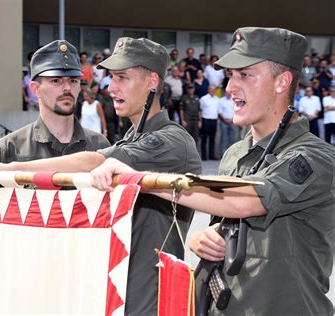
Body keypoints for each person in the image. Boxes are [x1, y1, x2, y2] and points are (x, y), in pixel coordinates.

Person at [90, 27, 334, 316]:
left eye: (245, 74)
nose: (230, 87)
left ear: (282, 82)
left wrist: (138, 178)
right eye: (230, 75)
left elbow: (246, 201)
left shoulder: (315, 156)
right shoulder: (235, 154)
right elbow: (225, 222)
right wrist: (202, 239)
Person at [0, 37, 202, 314]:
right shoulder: (130, 139)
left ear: (152, 81)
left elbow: (94, 162)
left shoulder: (169, 140)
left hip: (146, 298)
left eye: (122, 78)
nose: (110, 87)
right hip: (103, 291)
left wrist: (9, 170)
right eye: (111, 78)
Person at [0, 40, 110, 163]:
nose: (67, 88)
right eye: (56, 81)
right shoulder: (11, 149)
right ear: (35, 89)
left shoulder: (99, 146)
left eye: (73, 81)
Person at [199, 84, 219, 160]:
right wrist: (200, 121)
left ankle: (211, 155)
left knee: (212, 138)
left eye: (213, 90)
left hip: (214, 120)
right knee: (204, 138)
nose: (212, 91)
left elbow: (218, 111)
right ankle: (204, 156)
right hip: (205, 120)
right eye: (211, 89)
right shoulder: (203, 99)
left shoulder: (217, 99)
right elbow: (200, 111)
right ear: (208, 90)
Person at [218, 89, 238, 154]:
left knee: (233, 138)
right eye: (227, 93)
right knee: (223, 138)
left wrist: (232, 119)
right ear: (225, 93)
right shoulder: (221, 101)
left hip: (233, 121)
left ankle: (232, 154)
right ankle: (223, 154)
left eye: (230, 93)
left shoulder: (234, 100)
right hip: (224, 122)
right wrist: (225, 120)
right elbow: (220, 112)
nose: (228, 94)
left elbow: (237, 110)